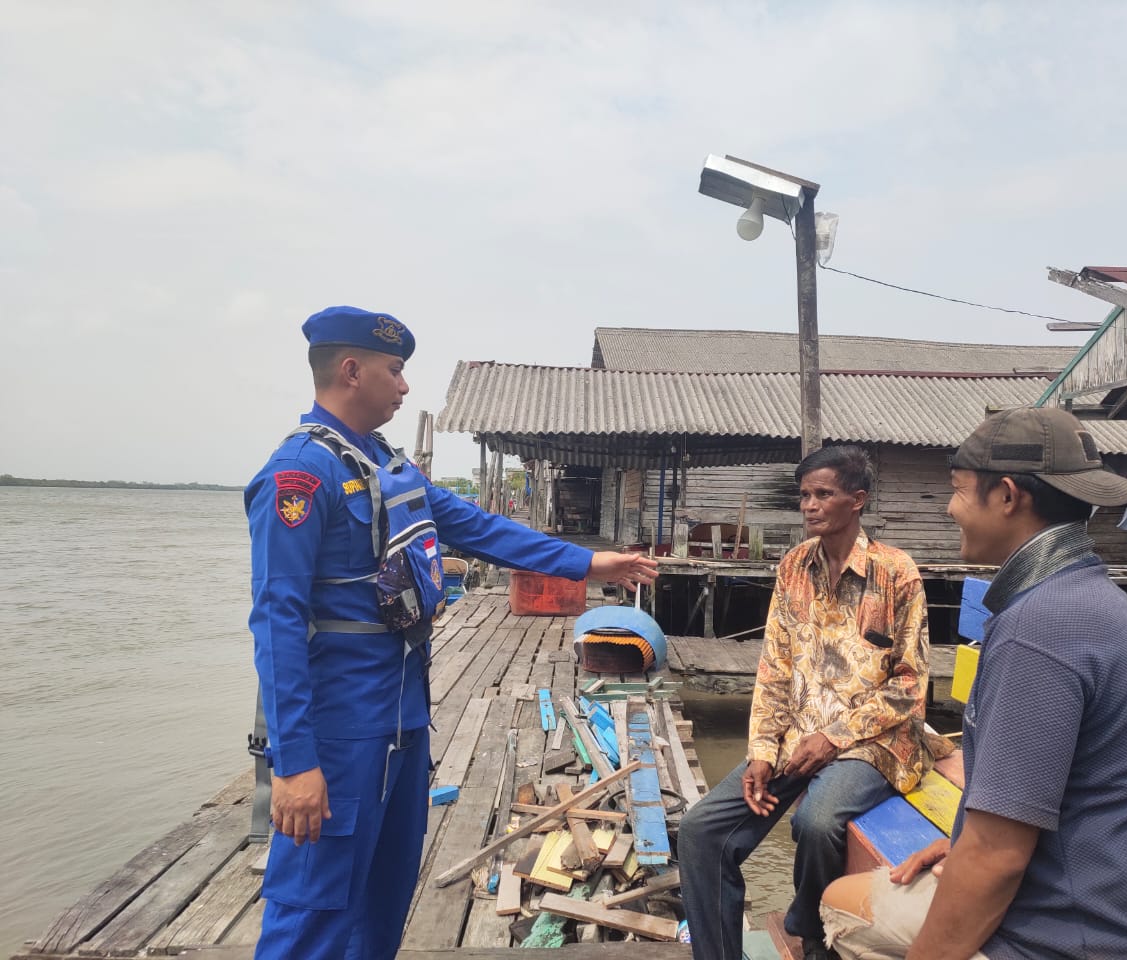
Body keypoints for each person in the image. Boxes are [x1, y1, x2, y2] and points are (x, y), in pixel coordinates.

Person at [245, 305, 658, 960]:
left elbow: (482, 530)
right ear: (351, 371)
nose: (406, 386)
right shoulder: (301, 475)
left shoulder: (387, 467)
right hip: (337, 735)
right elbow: (277, 620)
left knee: (383, 905)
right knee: (313, 916)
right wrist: (294, 764)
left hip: (404, 727)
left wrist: (589, 562)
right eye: (395, 370)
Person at [821, 406, 1127, 960]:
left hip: (1083, 938)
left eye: (956, 490)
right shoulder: (1094, 597)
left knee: (840, 904)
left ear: (1006, 496)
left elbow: (998, 857)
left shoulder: (1038, 628)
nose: (950, 508)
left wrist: (970, 858)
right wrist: (961, 842)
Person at [679, 445, 931, 960]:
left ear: (856, 500)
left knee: (815, 822)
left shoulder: (896, 572)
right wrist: (761, 752)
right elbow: (774, 667)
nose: (810, 506)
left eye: (823, 494)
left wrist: (833, 737)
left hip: (872, 742)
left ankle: (811, 931)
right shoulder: (794, 567)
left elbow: (909, 685)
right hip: (798, 737)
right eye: (804, 495)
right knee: (701, 832)